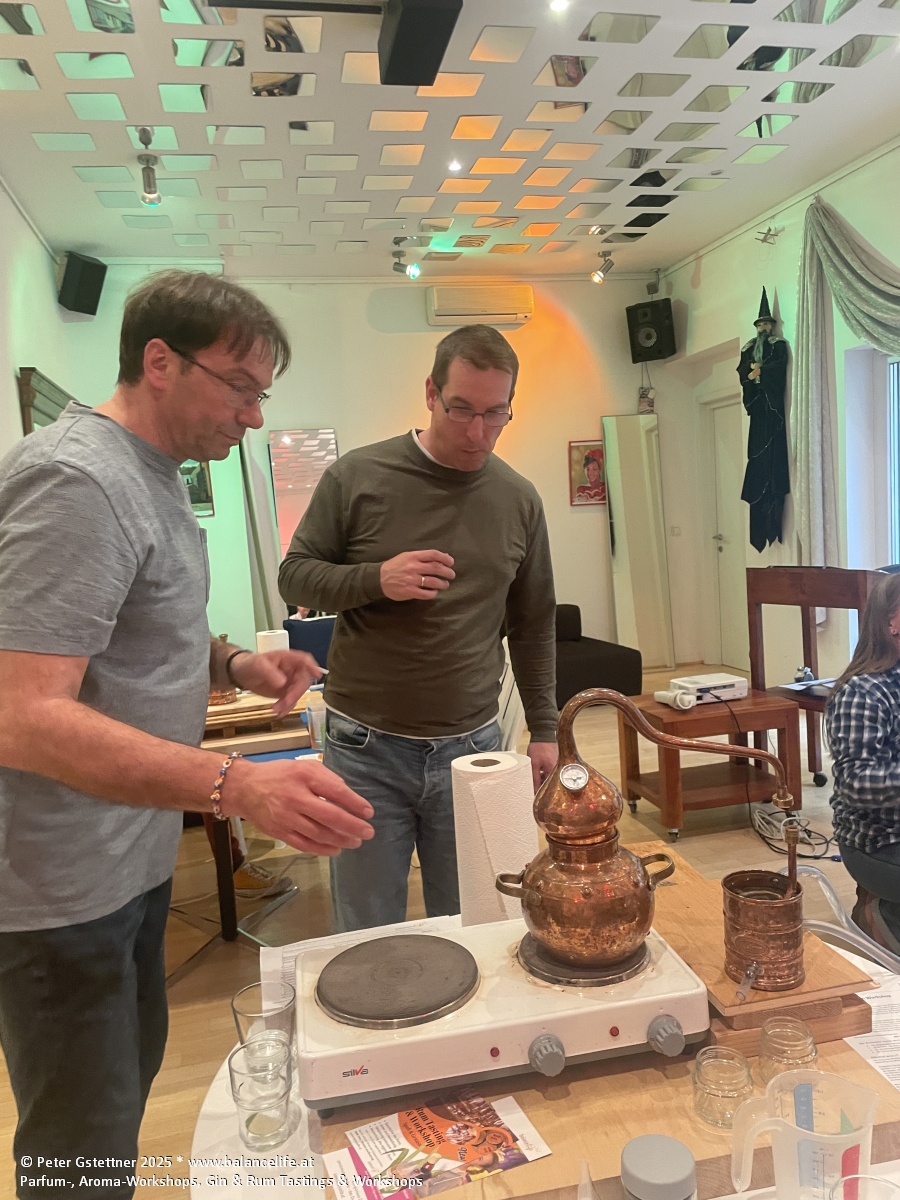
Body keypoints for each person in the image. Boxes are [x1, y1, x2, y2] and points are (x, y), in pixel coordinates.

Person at [0, 270, 374, 1200]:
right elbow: (20, 713)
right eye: (239, 386)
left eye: (262, 393)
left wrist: (233, 663)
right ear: (159, 362)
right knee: (80, 1155)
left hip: (126, 863)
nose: (254, 415)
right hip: (61, 889)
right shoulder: (76, 480)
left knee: (118, 1115)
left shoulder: (153, 473)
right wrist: (235, 785)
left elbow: (125, 634)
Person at [279, 324, 558, 933]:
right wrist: (377, 578)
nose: (477, 432)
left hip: (476, 749)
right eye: (461, 409)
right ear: (430, 393)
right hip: (365, 749)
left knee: (476, 927)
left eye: (495, 413)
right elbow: (294, 578)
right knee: (368, 932)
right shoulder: (358, 476)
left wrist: (544, 728)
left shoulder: (518, 499)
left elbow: (534, 624)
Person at [825, 572, 900, 952]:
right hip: (879, 840)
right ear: (892, 622)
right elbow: (857, 784)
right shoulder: (864, 691)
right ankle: (878, 915)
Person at [737, 287, 790, 553]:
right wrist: (751, 377)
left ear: (772, 325)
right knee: (757, 453)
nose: (763, 328)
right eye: (760, 325)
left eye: (767, 324)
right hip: (758, 405)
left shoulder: (778, 345)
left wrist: (762, 372)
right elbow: (742, 371)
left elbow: (779, 367)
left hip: (771, 405)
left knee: (772, 452)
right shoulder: (749, 347)